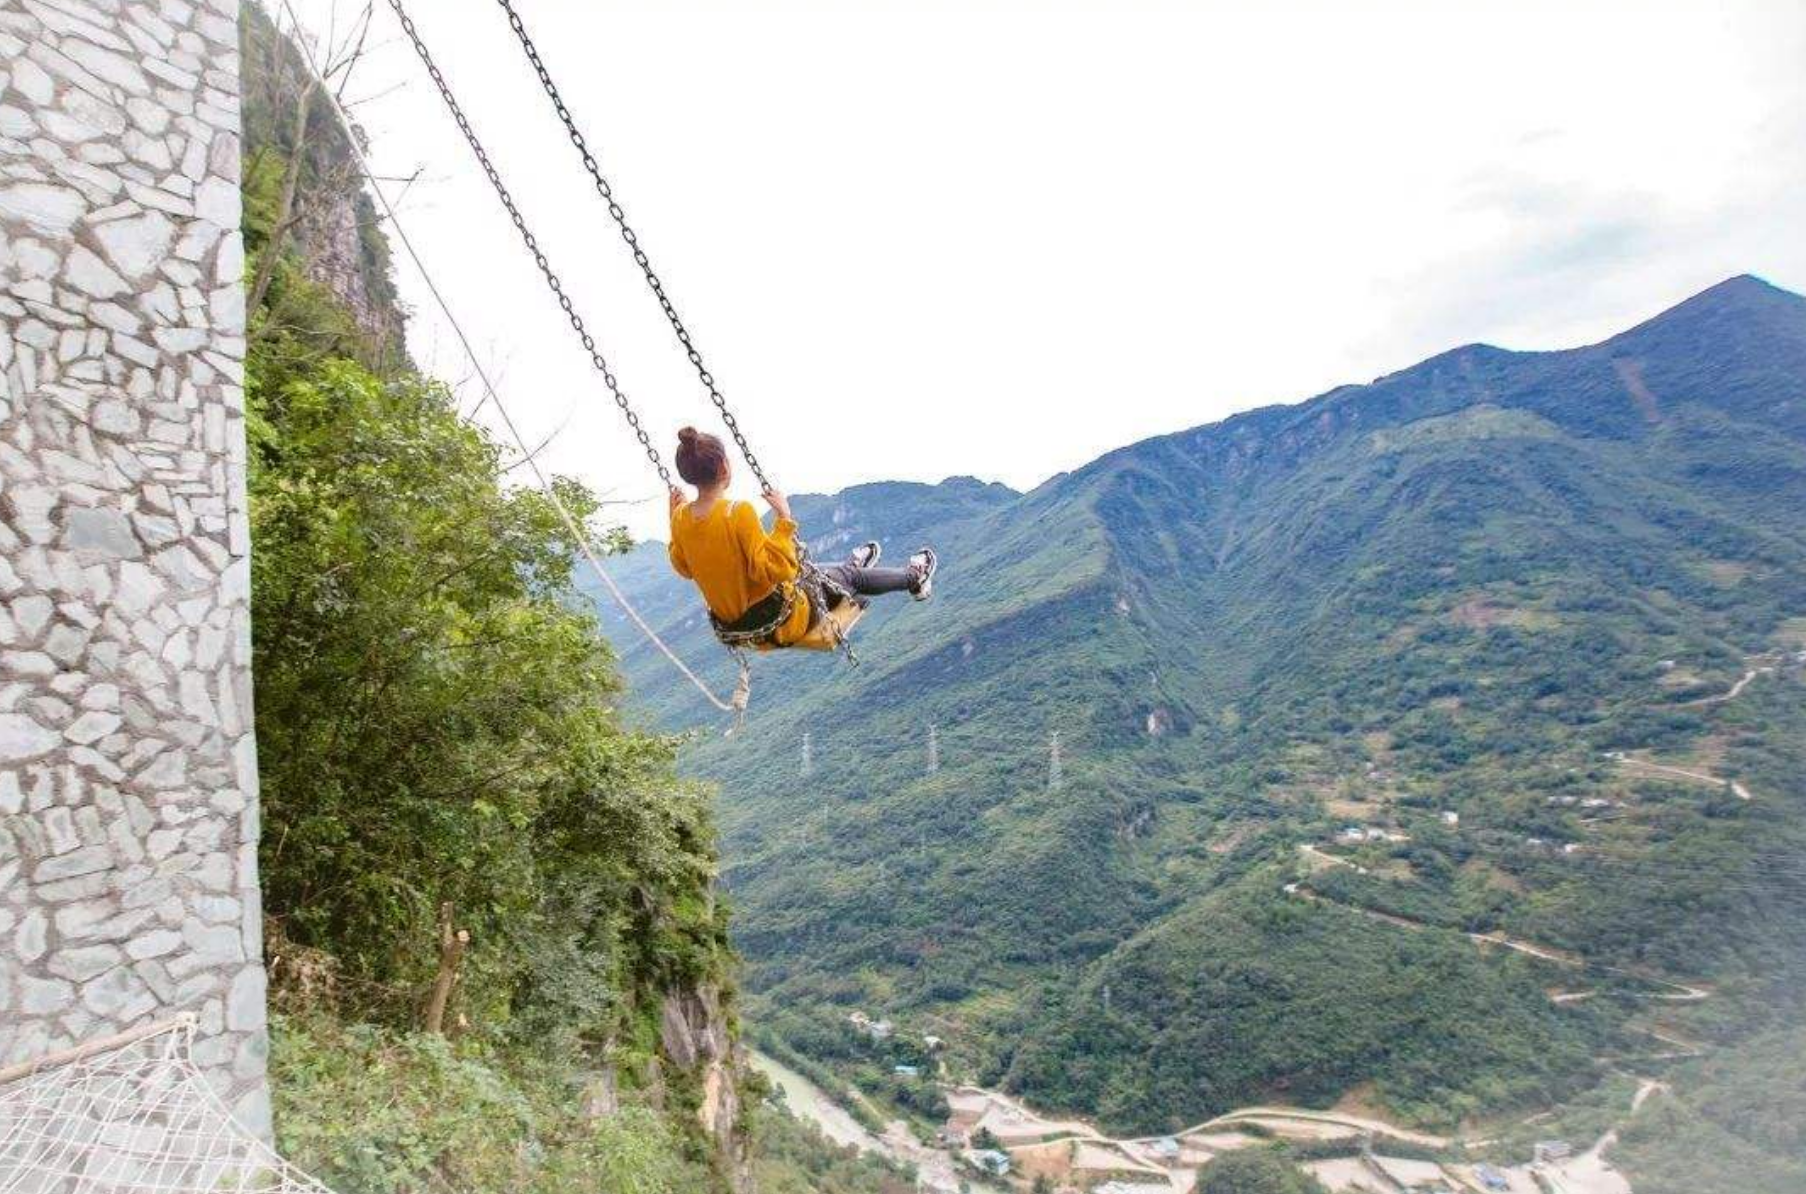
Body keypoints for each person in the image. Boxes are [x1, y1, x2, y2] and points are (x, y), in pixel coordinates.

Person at [666, 427, 937, 648]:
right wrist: (783, 519)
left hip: (739, 629)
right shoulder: (737, 512)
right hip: (782, 619)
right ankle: (915, 577)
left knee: (818, 572)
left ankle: (849, 569)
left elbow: (684, 567)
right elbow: (777, 569)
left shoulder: (680, 518)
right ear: (725, 467)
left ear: (686, 475)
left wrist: (673, 518)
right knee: (851, 578)